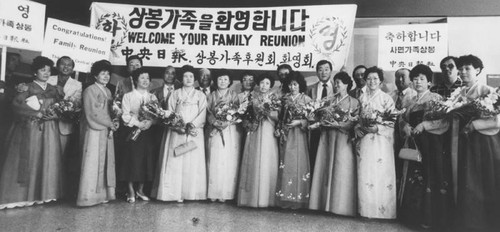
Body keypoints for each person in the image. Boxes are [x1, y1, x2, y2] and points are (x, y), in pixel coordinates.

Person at [0, 56, 63, 209]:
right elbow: (16, 105)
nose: (46, 73)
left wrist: (56, 114)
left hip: (49, 129)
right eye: (43, 70)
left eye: (48, 70)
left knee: (46, 158)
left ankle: (44, 195)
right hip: (29, 128)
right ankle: (20, 196)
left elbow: (61, 107)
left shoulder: (55, 89)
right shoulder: (26, 87)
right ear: (35, 72)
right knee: (29, 157)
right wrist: (35, 114)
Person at [398, 64, 452, 229]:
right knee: (414, 177)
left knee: (430, 175)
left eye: (422, 79)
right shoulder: (410, 100)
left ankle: (431, 219)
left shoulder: (436, 98)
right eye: (415, 79)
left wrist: (425, 125)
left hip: (431, 143)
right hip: (415, 143)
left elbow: (445, 121)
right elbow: (402, 119)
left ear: (429, 82)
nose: (418, 82)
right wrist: (405, 126)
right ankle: (413, 216)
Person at [455, 55, 500, 231]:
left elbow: (497, 120)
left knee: (480, 182)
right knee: (467, 181)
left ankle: (483, 224)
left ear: (478, 71)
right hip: (464, 141)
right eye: (461, 69)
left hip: (483, 142)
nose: (463, 72)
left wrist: (473, 124)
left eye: (468, 68)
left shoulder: (487, 90)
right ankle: (467, 222)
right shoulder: (460, 92)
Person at [152, 65, 207, 202]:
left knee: (192, 161)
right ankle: (174, 193)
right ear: (181, 78)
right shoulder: (175, 94)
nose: (188, 79)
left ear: (194, 79)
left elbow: (203, 113)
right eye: (185, 76)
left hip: (194, 131)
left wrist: (192, 125)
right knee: (176, 160)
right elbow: (170, 112)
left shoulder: (200, 95)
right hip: (177, 132)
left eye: (191, 76)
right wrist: (177, 126)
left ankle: (191, 193)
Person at [308, 72, 360, 216]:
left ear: (347, 85)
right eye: (335, 82)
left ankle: (340, 206)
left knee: (341, 168)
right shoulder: (328, 100)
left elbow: (355, 121)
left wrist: (341, 124)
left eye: (340, 83)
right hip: (327, 136)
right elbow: (319, 116)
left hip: (343, 137)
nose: (337, 85)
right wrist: (318, 119)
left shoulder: (354, 102)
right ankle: (323, 204)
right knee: (325, 166)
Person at [354, 66, 397, 219]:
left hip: (380, 141)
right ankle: (366, 210)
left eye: (375, 79)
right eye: (369, 79)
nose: (372, 81)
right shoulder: (361, 98)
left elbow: (392, 122)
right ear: (365, 80)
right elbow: (356, 117)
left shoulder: (386, 98)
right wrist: (357, 127)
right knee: (366, 172)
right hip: (365, 140)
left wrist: (377, 127)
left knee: (381, 173)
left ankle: (383, 212)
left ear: (380, 81)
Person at [77, 60, 118, 207]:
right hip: (94, 130)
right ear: (95, 75)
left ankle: (103, 194)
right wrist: (109, 123)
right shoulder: (90, 90)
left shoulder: (108, 91)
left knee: (105, 161)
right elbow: (93, 112)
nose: (106, 76)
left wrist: (115, 119)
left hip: (106, 129)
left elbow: (110, 111)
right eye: (102, 73)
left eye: (108, 73)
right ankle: (88, 196)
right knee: (92, 161)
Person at [238, 73, 279, 208]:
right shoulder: (251, 97)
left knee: (267, 160)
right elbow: (244, 114)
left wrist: (266, 112)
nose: (264, 86)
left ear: (271, 85)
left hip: (268, 130)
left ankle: (266, 199)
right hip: (254, 130)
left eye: (267, 83)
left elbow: (278, 116)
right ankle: (250, 198)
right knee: (253, 159)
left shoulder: (274, 98)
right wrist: (250, 121)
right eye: (262, 83)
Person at [275, 71, 312, 209]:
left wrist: (300, 122)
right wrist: (279, 127)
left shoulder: (306, 99)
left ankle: (299, 199)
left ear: (300, 85)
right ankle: (285, 197)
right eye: (290, 84)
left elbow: (312, 118)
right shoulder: (284, 99)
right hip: (286, 133)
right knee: (286, 163)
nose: (292, 87)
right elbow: (280, 117)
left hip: (300, 135)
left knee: (299, 163)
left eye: (295, 84)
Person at [119, 68, 157, 203]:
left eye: (147, 78)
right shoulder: (128, 96)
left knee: (146, 160)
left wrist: (150, 122)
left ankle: (140, 190)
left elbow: (157, 114)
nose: (145, 81)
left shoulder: (152, 97)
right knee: (131, 160)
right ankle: (130, 190)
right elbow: (125, 115)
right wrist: (138, 123)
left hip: (147, 132)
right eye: (142, 78)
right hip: (132, 132)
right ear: (135, 80)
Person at [47, 56, 82, 198]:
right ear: (57, 65)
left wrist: (61, 109)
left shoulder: (77, 84)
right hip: (47, 121)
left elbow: (75, 105)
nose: (66, 67)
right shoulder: (48, 79)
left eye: (69, 65)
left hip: (63, 124)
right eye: (63, 64)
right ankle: (45, 190)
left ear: (73, 68)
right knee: (47, 156)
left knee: (61, 159)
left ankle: (58, 192)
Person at [206, 69, 242, 202]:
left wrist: (227, 122)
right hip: (215, 130)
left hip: (230, 130)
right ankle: (213, 192)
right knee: (214, 158)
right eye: (220, 79)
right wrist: (215, 122)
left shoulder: (233, 94)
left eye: (225, 79)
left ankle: (226, 193)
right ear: (215, 81)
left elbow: (237, 112)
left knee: (228, 159)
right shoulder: (211, 95)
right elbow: (208, 112)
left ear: (230, 81)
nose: (222, 81)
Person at [306, 60, 334, 175]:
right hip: (315, 130)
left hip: (332, 128)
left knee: (330, 160)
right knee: (314, 159)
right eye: (320, 69)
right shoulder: (310, 89)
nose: (323, 72)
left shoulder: (337, 88)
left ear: (331, 71)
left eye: (326, 69)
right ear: (317, 72)